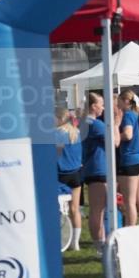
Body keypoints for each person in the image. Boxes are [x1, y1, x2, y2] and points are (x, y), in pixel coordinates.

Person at [82, 92, 118, 253]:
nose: (103, 107)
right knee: (98, 209)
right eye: (101, 104)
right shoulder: (95, 124)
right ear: (93, 106)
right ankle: (99, 244)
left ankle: (101, 241)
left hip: (94, 168)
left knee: (99, 208)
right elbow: (115, 141)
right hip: (97, 169)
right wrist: (116, 122)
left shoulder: (86, 122)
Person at [116, 90, 139, 227]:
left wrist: (116, 135)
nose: (117, 103)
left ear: (125, 101)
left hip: (129, 160)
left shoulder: (128, 116)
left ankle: (130, 230)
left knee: (130, 201)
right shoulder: (138, 116)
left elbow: (128, 134)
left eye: (119, 100)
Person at [55, 106, 83, 251]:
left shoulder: (56, 134)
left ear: (59, 119)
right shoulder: (76, 132)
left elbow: (55, 155)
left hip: (61, 175)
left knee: (58, 208)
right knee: (75, 208)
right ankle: (76, 243)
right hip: (76, 174)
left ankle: (61, 239)